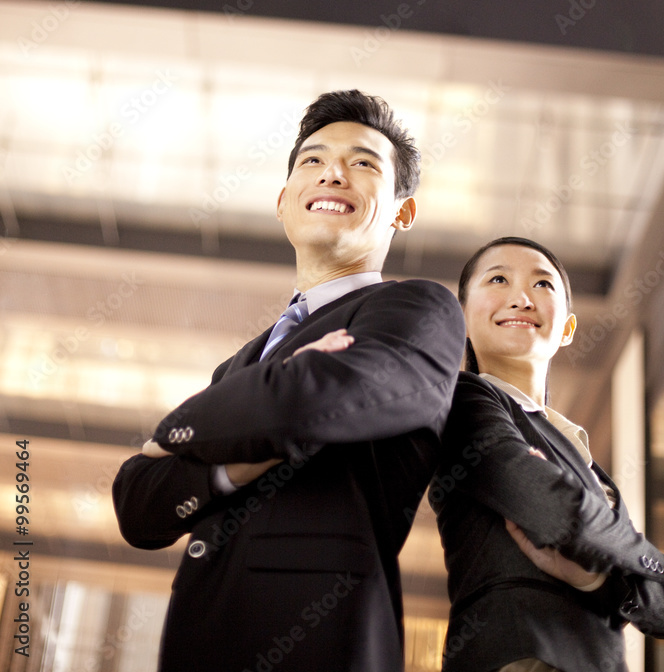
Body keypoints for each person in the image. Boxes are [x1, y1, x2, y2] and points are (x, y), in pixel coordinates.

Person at [113, 89, 465, 672]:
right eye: (312, 161)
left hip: (321, 640)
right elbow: (137, 506)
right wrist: (233, 459)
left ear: (403, 212)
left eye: (362, 163)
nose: (332, 173)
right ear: (284, 203)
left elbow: (312, 405)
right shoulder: (240, 365)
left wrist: (169, 436)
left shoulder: (416, 311)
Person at [429, 236, 664, 672]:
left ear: (568, 329)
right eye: (498, 279)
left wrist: (598, 577)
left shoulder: (573, 445)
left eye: (542, 285)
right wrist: (649, 563)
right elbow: (559, 514)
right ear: (460, 318)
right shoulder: (463, 401)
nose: (521, 298)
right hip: (520, 655)